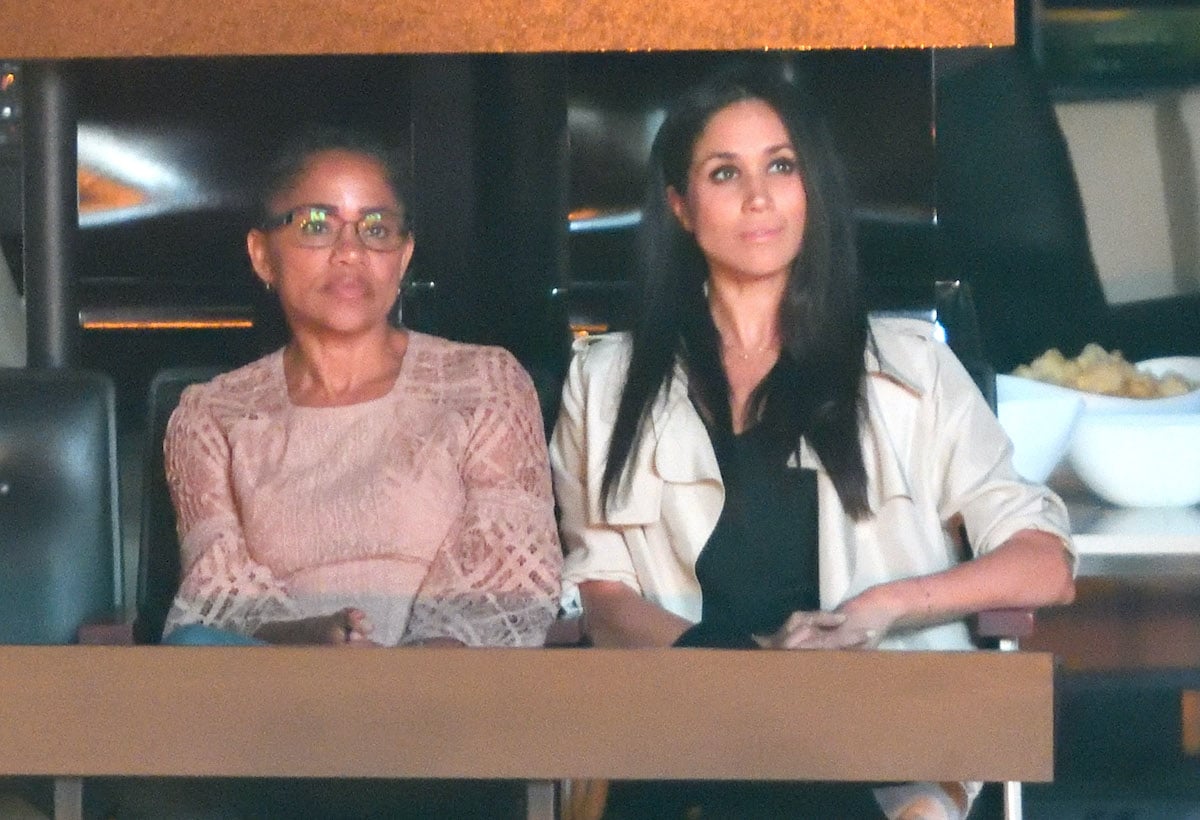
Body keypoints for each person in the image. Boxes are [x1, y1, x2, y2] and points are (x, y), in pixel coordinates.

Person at [549, 63, 1077, 819]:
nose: (759, 197)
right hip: (685, 727)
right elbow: (601, 596)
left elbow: (1044, 565)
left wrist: (882, 608)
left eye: (782, 166)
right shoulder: (605, 382)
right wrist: (739, 680)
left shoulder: (911, 369)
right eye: (725, 173)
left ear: (811, 190)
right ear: (681, 207)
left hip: (869, 741)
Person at [161, 124, 562, 648]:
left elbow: (507, 585)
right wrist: (319, 640)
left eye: (376, 229)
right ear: (263, 256)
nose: (350, 251)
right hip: (278, 694)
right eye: (316, 225)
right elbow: (219, 598)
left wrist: (389, 682)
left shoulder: (484, 382)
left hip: (448, 698)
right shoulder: (212, 414)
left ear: (403, 255)